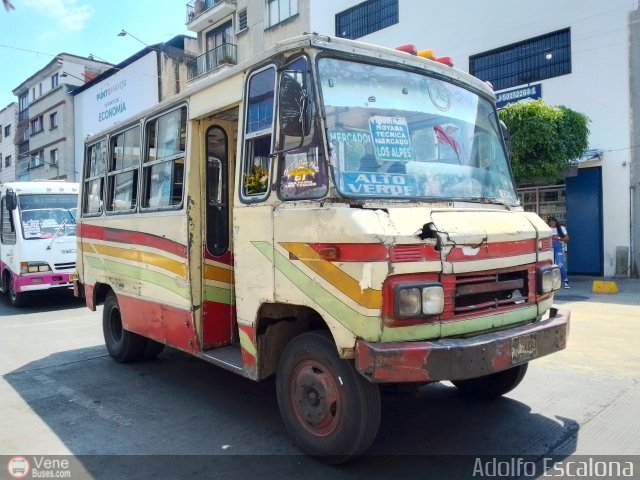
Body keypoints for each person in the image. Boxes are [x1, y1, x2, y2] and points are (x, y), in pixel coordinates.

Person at [547, 216, 570, 288]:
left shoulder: (561, 228)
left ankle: (566, 281)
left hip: (558, 249)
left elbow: (567, 239)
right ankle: (551, 282)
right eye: (550, 222)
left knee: (560, 265)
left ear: (556, 222)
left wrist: (558, 238)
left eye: (553, 222)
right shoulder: (547, 229)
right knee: (550, 266)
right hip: (549, 249)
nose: (552, 223)